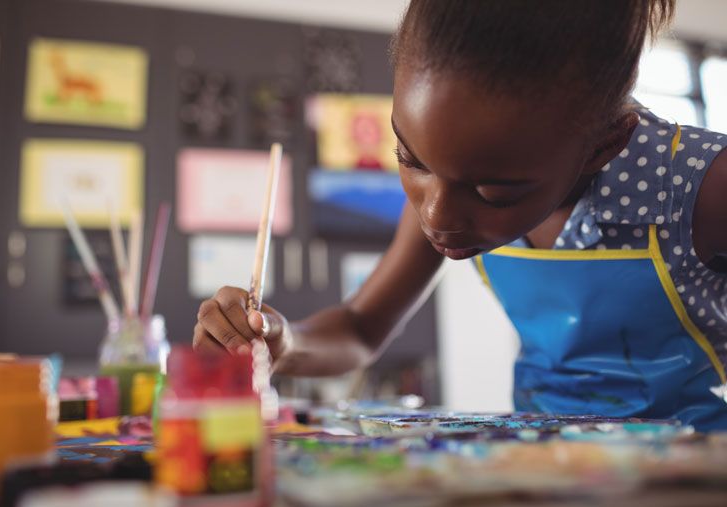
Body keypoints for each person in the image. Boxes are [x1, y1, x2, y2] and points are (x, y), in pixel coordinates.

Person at [193, 0, 727, 431]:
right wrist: (282, 340)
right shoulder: (449, 186)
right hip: (548, 463)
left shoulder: (704, 186)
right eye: (410, 159)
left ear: (605, 145)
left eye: (494, 190)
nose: (436, 214)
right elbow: (359, 327)